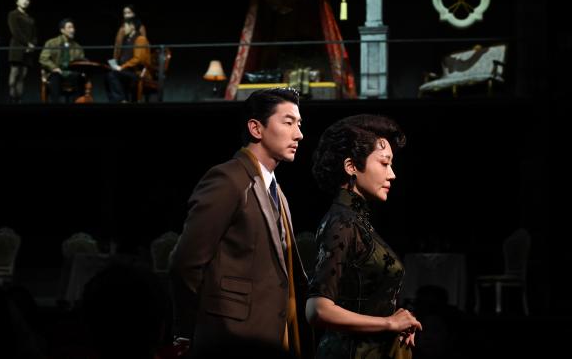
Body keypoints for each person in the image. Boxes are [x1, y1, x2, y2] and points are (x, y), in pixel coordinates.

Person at [169, 87, 312, 359]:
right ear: (256, 128)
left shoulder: (277, 191)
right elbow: (186, 262)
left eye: (299, 124)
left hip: (269, 334)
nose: (299, 134)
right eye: (288, 122)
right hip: (230, 336)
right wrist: (188, 330)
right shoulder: (228, 179)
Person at [305, 114, 422, 359]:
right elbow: (317, 310)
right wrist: (389, 323)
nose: (392, 174)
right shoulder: (342, 223)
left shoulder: (356, 220)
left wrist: (398, 320)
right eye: (384, 163)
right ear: (351, 167)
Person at [39, 18, 86, 103]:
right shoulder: (52, 43)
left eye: (73, 27)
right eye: (69, 27)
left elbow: (82, 60)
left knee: (79, 77)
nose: (72, 30)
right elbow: (43, 58)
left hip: (71, 73)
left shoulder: (77, 47)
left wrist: (83, 69)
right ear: (62, 30)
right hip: (56, 73)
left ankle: (77, 103)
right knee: (55, 76)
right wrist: (54, 67)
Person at [105, 17, 151, 103]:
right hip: (127, 71)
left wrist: (122, 67)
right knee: (108, 74)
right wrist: (115, 65)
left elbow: (138, 59)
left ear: (132, 26)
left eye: (125, 26)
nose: (123, 28)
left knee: (112, 75)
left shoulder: (140, 39)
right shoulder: (126, 40)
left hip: (137, 72)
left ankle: (121, 101)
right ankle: (118, 101)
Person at [7, 0, 37, 103]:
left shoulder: (30, 18)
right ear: (17, 2)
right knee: (14, 73)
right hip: (17, 47)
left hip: (28, 50)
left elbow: (34, 35)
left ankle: (19, 101)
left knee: (22, 76)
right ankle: (11, 99)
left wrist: (32, 45)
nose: (25, 1)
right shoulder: (13, 14)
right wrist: (27, 43)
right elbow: (15, 31)